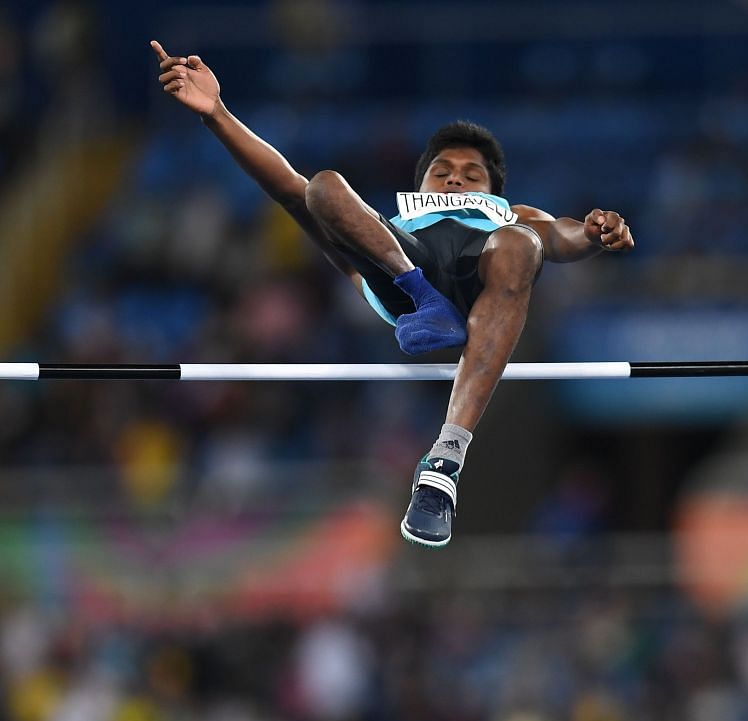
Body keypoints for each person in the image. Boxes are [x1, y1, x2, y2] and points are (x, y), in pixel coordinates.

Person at [151, 40, 634, 548]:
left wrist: (595, 233)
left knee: (521, 242)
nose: (455, 181)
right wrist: (217, 114)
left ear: (494, 191)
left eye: (472, 176)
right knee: (322, 187)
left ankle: (444, 463)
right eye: (442, 172)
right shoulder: (396, 222)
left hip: (484, 278)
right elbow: (290, 189)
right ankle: (421, 293)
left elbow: (562, 237)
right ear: (420, 182)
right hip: (402, 272)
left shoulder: (513, 217)